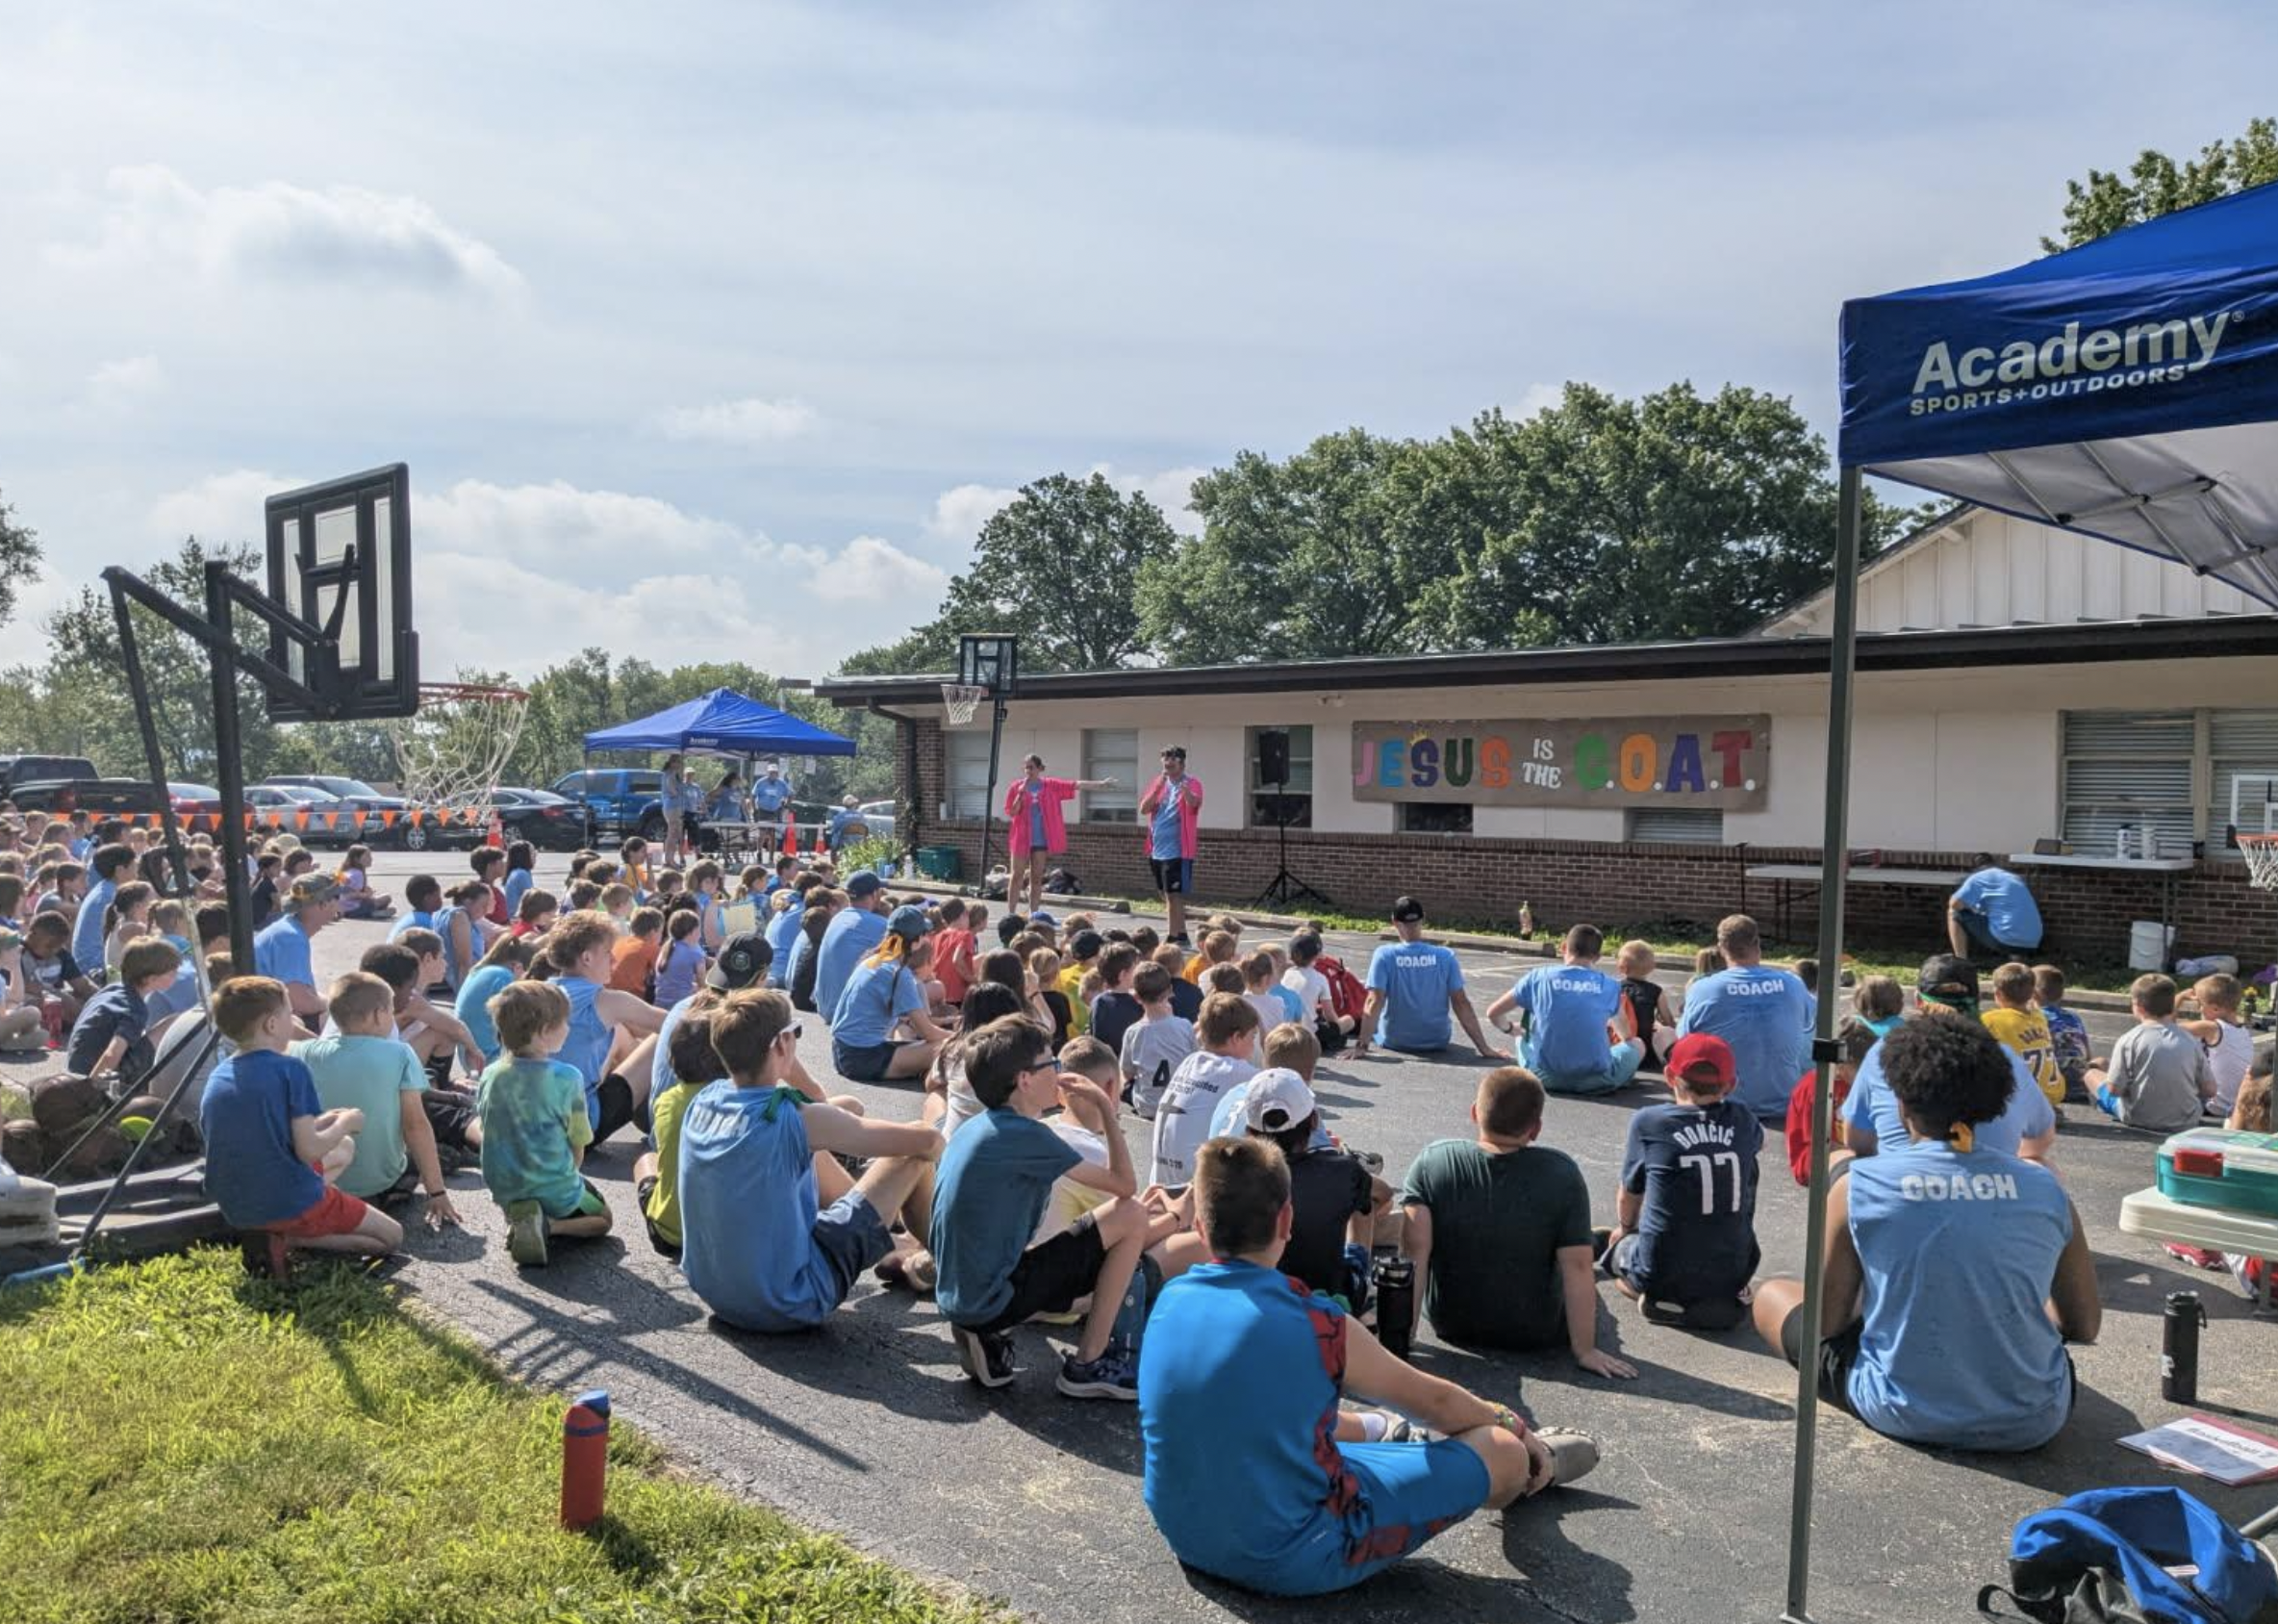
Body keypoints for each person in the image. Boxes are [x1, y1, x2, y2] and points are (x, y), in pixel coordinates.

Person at [1138, 1135, 1600, 1598]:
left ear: (1200, 1226)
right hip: (1294, 1553)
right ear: (1287, 1220)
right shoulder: (1316, 1323)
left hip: (1190, 1536)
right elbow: (1436, 1401)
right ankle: (1533, 1466)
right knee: (1499, 1449)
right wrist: (1509, 1422)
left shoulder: (1169, 1299)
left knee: (1271, 1408)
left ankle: (1393, 1433)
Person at [1752, 1016, 2098, 1453]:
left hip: (1899, 1409)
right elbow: (2083, 1325)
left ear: (1901, 1105)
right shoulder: (2045, 1187)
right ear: (1997, 1102)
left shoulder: (1858, 1185)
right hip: (2034, 1418)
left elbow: (1827, 1321)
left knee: (1771, 1296)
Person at [677, 989, 942, 1327]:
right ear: (781, 1044)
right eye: (796, 1032)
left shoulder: (704, 1101)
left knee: (803, 1159)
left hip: (718, 1295)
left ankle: (896, 1246)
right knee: (914, 1151)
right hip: (788, 1302)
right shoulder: (794, 1117)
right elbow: (926, 1141)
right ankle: (946, 1262)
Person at [932, 1015, 1157, 1398]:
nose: (1058, 1072)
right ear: (1024, 1079)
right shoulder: (1028, 1136)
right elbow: (1125, 1187)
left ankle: (987, 1334)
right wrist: (1105, 1105)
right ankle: (1088, 1364)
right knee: (1133, 1216)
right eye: (1050, 1063)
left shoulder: (979, 1125)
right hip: (991, 1297)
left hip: (961, 1289)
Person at [1397, 1067, 1635, 1377]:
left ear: (1474, 1113)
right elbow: (1577, 1269)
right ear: (1535, 1129)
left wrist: (1403, 1339)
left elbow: (1414, 1255)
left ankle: (1588, 1238)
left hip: (1451, 1323)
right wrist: (1585, 1350)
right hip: (1536, 1331)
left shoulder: (1432, 1162)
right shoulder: (1561, 1174)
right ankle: (1589, 1240)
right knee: (1578, 1263)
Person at [199, 976, 404, 1265]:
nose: (294, 1018)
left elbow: (268, 1134)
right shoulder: (291, 1069)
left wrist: (327, 1123)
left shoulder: (220, 1073)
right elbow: (309, 1150)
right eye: (288, 1013)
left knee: (342, 1148)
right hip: (286, 1199)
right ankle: (289, 1237)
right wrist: (347, 1123)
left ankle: (279, 1227)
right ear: (271, 1025)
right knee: (391, 1237)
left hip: (236, 1203)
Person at [1600, 1033, 1761, 1328]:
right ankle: (1724, 1293)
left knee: (1617, 1255)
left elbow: (1630, 1191)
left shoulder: (1650, 1121)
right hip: (1735, 1265)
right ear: (1732, 1084)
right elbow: (1755, 1146)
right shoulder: (1743, 1118)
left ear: (1669, 1076)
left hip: (1660, 1266)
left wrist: (1625, 1228)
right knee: (1749, 1169)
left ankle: (1648, 1291)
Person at [1838, 956, 2058, 1163]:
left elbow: (1858, 1141)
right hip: (1992, 1186)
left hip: (1905, 1185)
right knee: (2042, 1167)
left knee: (1839, 1161)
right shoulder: (2005, 1055)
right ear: (1977, 1001)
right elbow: (2040, 1141)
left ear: (1917, 1001)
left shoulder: (1884, 1050)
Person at [294, 972, 460, 1226]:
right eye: (391, 1012)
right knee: (418, 1154)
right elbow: (415, 1125)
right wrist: (436, 1191)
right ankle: (388, 1194)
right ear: (378, 1015)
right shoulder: (400, 1053)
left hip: (324, 1173)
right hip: (381, 1179)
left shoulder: (304, 1052)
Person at [476, 978, 614, 1265]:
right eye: (564, 1022)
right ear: (542, 1033)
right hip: (553, 1188)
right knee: (603, 1219)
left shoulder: (490, 1074)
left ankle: (521, 1219)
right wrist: (571, 1177)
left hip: (504, 1188)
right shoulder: (567, 1078)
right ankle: (549, 1226)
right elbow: (578, 1144)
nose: (568, 1027)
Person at [546, 909, 670, 1143]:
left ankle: (645, 1107)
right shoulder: (606, 1001)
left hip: (539, 1125)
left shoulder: (545, 991)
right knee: (657, 1040)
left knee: (619, 1031)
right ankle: (661, 1114)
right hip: (580, 1131)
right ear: (587, 958)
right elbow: (674, 1022)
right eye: (608, 953)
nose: (614, 960)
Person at [1674, 914, 1811, 1122]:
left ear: (1721, 947)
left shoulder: (1703, 988)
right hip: (1786, 1102)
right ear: (1757, 943)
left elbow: (1685, 1041)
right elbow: (1808, 1024)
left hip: (1727, 1105)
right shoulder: (1793, 983)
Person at [1486, 924, 1642, 1096]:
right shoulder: (1610, 986)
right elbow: (1626, 1035)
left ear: (1563, 947)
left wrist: (1510, 1029)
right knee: (1637, 1045)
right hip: (1597, 1079)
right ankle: (1620, 1080)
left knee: (1522, 1035)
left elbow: (1494, 1013)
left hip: (1542, 1077)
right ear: (1597, 957)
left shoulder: (1537, 977)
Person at [1354, 897, 1504, 1060]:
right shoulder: (1445, 956)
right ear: (1423, 918)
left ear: (1394, 922)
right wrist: (1484, 1048)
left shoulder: (1384, 955)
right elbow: (1461, 1003)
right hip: (1437, 1040)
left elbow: (1374, 1002)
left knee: (1365, 1017)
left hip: (1396, 1040)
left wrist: (1361, 1046)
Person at [1150, 993, 1260, 1187]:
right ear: (1236, 1038)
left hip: (1159, 1181)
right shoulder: (1239, 1072)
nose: (1254, 1044)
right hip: (1194, 1189)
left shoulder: (1190, 1061)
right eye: (1253, 1036)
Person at [830, 908, 951, 1082]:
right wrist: (962, 1037)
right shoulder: (899, 973)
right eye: (924, 934)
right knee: (951, 1047)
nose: (927, 939)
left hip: (843, 1051)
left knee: (914, 1039)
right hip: (863, 1058)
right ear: (915, 942)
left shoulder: (872, 960)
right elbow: (928, 1033)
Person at [2085, 973, 2214, 1133]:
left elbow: (2114, 1090)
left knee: (2091, 1074)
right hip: (2186, 1119)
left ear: (2138, 1006)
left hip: (2138, 1117)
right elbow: (2210, 1089)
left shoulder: (2129, 1039)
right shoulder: (2190, 1040)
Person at [1002, 755, 1117, 914]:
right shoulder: (1016, 787)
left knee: (1036, 878)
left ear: (1040, 769)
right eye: (1026, 767)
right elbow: (1012, 812)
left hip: (1041, 839)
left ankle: (1034, 914)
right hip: (1021, 839)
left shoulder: (1050, 785)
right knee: (1017, 876)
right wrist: (1020, 795)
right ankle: (1011, 913)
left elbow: (1076, 785)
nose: (1028, 771)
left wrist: (1101, 784)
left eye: (1032, 767)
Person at [64, 937, 181, 1084]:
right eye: (172, 973)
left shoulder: (111, 990)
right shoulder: (134, 1008)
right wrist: (91, 1092)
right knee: (174, 1022)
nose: (177, 976)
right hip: (94, 1076)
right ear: (149, 979)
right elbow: (111, 1053)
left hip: (75, 1071)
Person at [1784, 1018, 1875, 1186]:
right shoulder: (1815, 1088)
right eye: (1863, 1070)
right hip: (1815, 1160)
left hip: (1852, 1154)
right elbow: (1820, 1145)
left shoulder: (1857, 1084)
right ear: (1843, 1064)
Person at [1136, 746, 1202, 946]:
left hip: (1178, 849)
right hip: (1157, 848)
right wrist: (1158, 787)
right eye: (1165, 763)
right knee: (1165, 894)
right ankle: (1181, 933)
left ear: (1181, 763)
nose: (1167, 767)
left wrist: (1186, 793)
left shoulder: (1193, 783)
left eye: (1171, 763)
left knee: (1174, 894)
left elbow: (1195, 804)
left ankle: (1173, 936)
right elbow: (1144, 809)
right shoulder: (1159, 783)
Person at [254, 875, 342, 1027]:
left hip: (263, 1014)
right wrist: (333, 1004)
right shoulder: (291, 938)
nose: (339, 903)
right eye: (336, 897)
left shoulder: (288, 929)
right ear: (323, 904)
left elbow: (304, 994)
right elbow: (300, 1002)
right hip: (261, 1022)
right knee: (346, 1020)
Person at [1981, 961, 2062, 1108]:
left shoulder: (1991, 1019)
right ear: (2032, 994)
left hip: (2020, 1098)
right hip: (2052, 1095)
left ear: (1998, 994)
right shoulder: (2039, 1017)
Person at [814, 870, 892, 1020]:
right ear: (875, 895)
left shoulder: (837, 918)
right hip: (846, 1012)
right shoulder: (879, 924)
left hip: (826, 1007)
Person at [2180, 972, 2255, 1117]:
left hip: (2214, 1106)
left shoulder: (2213, 1028)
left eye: (2200, 1004)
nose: (2198, 1009)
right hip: (2235, 1105)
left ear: (2215, 1009)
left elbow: (2165, 1027)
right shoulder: (2242, 1030)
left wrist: (2180, 997)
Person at [1946, 864, 2043, 959]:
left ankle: (1960, 962)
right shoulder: (2015, 878)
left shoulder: (1977, 878)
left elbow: (1954, 903)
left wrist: (1969, 907)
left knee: (1953, 912)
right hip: (2033, 942)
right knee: (2009, 922)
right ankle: (2017, 963)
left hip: (2006, 940)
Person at [70, 841, 134, 980]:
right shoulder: (109, 896)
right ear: (120, 870)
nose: (136, 871)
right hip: (95, 966)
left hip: (90, 962)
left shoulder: (104, 888)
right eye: (133, 866)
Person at [2033, 964, 2092, 1101]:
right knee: (2100, 1062)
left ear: (2033, 993)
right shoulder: (2074, 1017)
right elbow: (2087, 1055)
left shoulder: (2035, 1018)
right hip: (2081, 1082)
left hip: (2053, 1083)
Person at [1615, 940, 1675, 1075]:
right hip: (1648, 1053)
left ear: (1621, 967)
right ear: (1652, 967)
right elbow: (1668, 1019)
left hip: (1621, 1045)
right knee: (1665, 1030)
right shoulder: (1656, 991)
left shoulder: (1615, 988)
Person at [1088, 942, 1146, 1057]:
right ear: (1123, 974)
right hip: (1132, 1062)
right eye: (1136, 967)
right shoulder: (1138, 1002)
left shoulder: (1099, 1002)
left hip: (1106, 1061)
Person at [653, 908, 707, 1008]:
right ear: (691, 932)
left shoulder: (665, 949)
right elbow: (703, 987)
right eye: (699, 930)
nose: (701, 934)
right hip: (680, 1007)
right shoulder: (695, 953)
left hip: (659, 1005)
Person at [609, 906, 666, 996]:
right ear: (653, 932)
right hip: (631, 999)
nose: (661, 936)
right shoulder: (651, 949)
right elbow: (668, 976)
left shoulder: (619, 942)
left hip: (607, 995)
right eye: (661, 932)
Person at [334, 844, 392, 921]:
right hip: (354, 908)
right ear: (357, 859)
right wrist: (367, 895)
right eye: (367, 856)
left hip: (343, 907)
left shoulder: (347, 871)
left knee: (381, 901)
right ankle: (372, 913)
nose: (371, 859)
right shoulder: (358, 874)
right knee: (387, 898)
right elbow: (350, 895)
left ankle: (375, 912)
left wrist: (366, 890)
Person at [750, 760, 792, 858]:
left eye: (775, 773)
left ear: (777, 773)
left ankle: (771, 856)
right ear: (768, 773)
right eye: (771, 773)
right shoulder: (760, 782)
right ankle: (759, 852)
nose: (773, 774)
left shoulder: (782, 783)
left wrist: (786, 805)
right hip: (763, 810)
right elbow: (753, 796)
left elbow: (790, 795)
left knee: (773, 835)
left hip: (775, 811)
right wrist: (754, 809)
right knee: (762, 833)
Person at [661, 753, 689, 866]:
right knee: (672, 833)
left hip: (675, 806)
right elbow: (671, 787)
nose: (679, 765)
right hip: (672, 806)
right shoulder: (670, 774)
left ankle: (671, 858)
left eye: (680, 762)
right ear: (672, 763)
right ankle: (668, 859)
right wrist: (676, 793)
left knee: (676, 834)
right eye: (677, 762)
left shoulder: (674, 774)